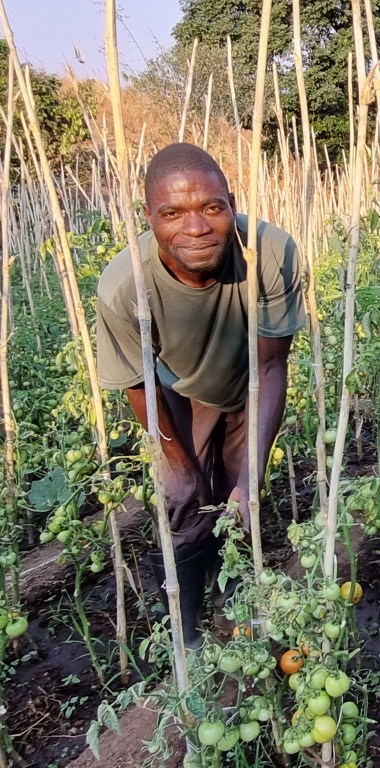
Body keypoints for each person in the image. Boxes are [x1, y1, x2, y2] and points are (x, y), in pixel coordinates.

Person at [96, 142, 306, 645]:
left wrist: (250, 477)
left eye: (212, 208)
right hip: (174, 396)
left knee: (240, 504)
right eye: (172, 213)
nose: (195, 228)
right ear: (149, 218)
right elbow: (137, 382)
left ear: (231, 203)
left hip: (248, 384)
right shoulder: (125, 285)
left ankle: (241, 619)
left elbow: (272, 364)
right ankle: (188, 631)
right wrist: (181, 466)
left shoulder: (269, 253)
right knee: (184, 503)